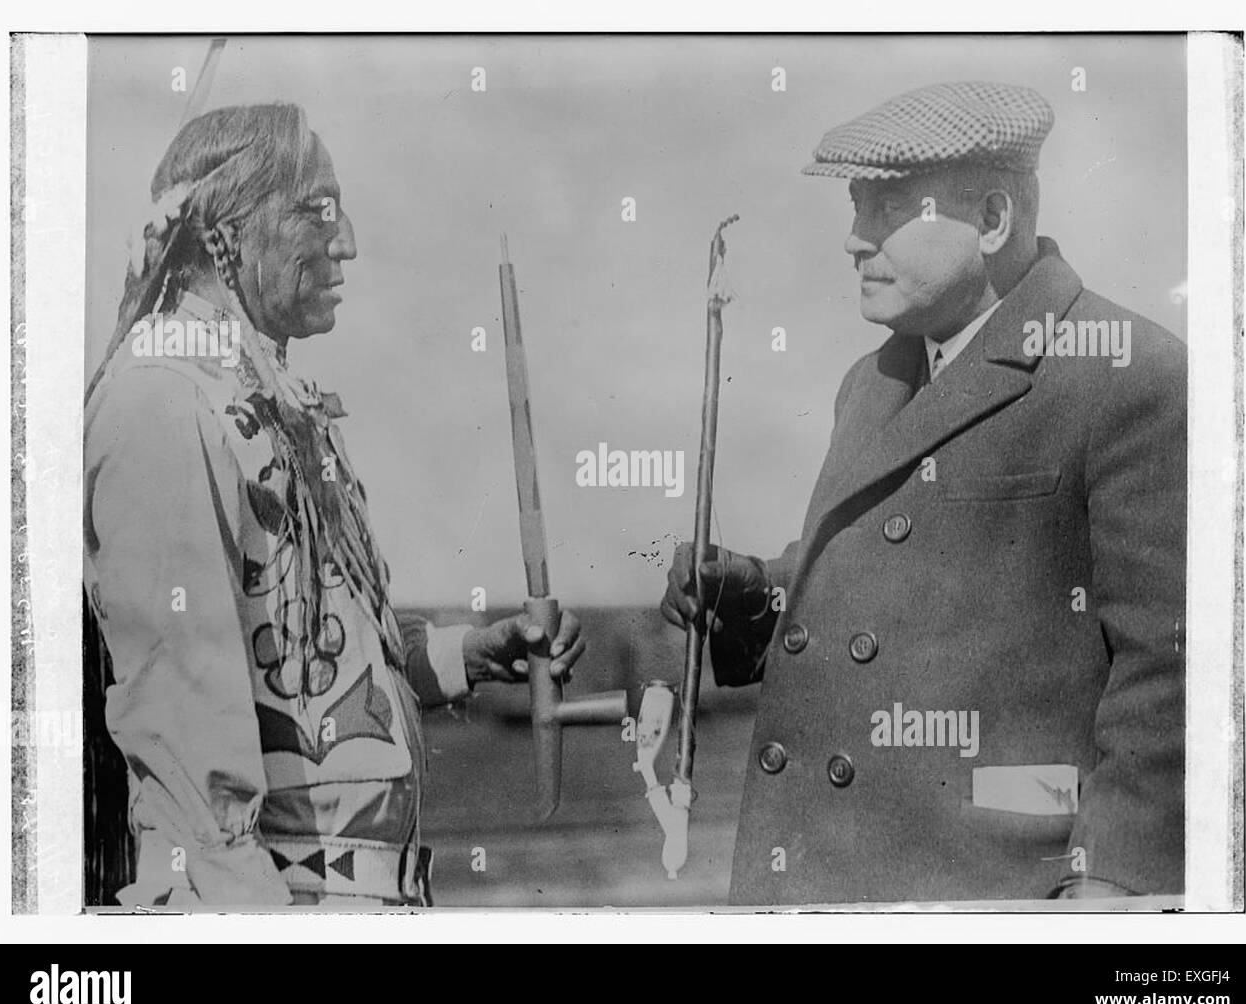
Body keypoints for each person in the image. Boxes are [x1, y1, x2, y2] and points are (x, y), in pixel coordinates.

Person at [661, 81, 1187, 905]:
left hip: (997, 882)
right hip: (824, 877)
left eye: (887, 209)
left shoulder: (1130, 374)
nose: (853, 241)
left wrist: (1113, 884)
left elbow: (1174, 671)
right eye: (855, 207)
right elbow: (886, 578)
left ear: (990, 219)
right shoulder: (874, 381)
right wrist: (758, 594)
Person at [84, 103, 585, 909]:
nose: (345, 239)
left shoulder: (261, 397)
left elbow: (310, 667)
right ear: (230, 230)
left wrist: (463, 655)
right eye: (316, 209)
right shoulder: (164, 404)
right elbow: (183, 748)